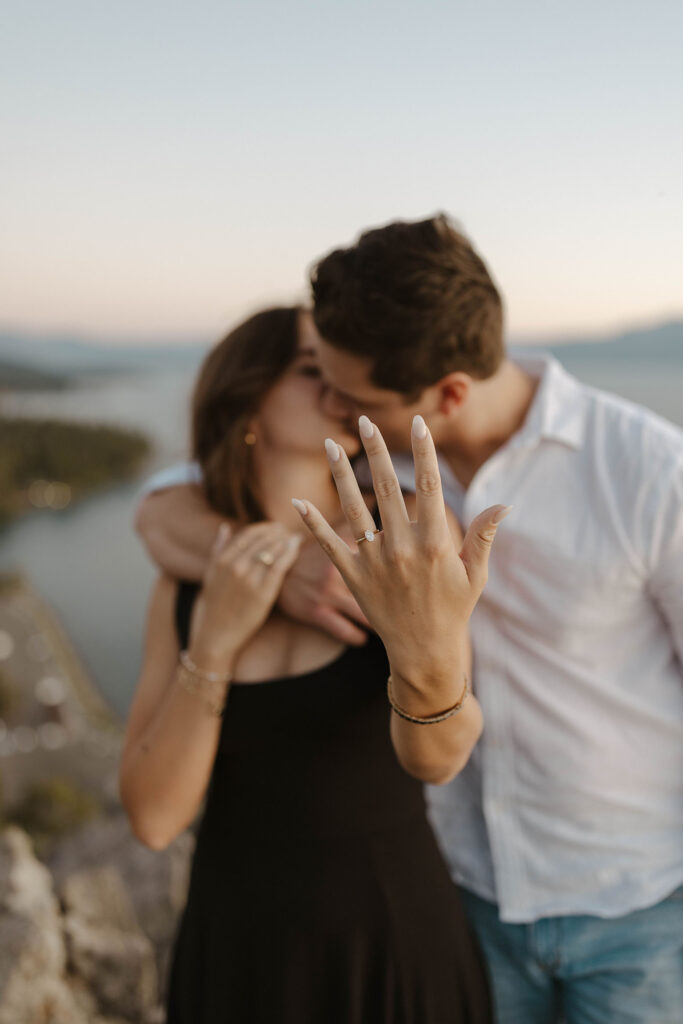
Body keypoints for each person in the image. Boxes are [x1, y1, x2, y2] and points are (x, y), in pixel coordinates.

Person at [135, 215, 683, 1024]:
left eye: (344, 392)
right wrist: (277, 567)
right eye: (314, 376)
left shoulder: (647, 471)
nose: (330, 403)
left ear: (446, 395)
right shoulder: (367, 461)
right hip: (462, 899)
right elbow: (164, 505)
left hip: (630, 908)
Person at [120, 305, 505, 1023]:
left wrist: (422, 654)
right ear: (247, 404)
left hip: (393, 935)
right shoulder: (183, 578)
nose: (338, 384)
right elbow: (152, 818)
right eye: (310, 369)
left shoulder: (408, 538)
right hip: (240, 948)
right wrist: (213, 644)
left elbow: (439, 758)